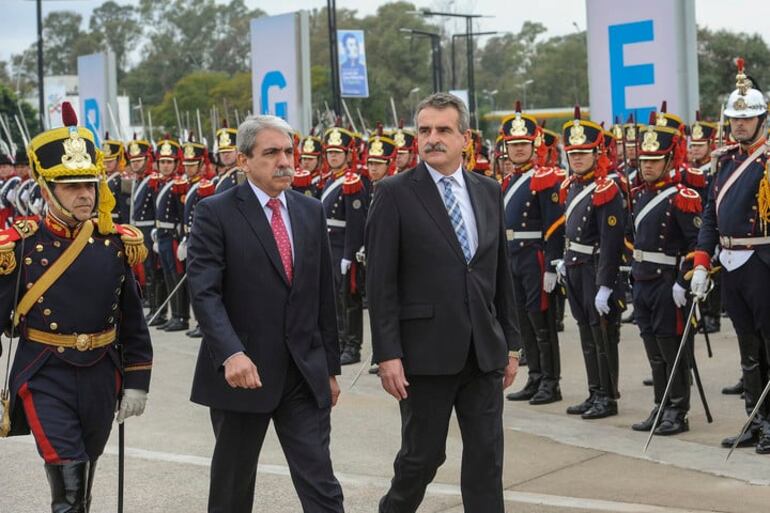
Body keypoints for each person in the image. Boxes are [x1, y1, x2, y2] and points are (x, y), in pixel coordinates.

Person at [365, 92, 519, 513]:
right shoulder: (394, 193)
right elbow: (380, 284)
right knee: (422, 459)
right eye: (425, 130)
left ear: (465, 137)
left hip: (483, 352)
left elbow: (499, 273)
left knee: (487, 461)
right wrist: (388, 355)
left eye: (443, 130)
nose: (432, 139)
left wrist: (512, 344)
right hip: (425, 356)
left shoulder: (488, 190)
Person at [0, 102, 152, 512]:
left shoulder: (115, 243)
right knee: (67, 484)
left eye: (89, 184)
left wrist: (137, 380)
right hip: (45, 371)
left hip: (102, 372)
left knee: (83, 478)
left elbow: (132, 320)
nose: (85, 194)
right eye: (71, 186)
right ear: (47, 189)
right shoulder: (21, 246)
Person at [187, 114, 344, 513]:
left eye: (289, 151)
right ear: (243, 161)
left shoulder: (309, 211)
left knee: (322, 485)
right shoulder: (215, 212)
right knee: (233, 489)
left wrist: (329, 367)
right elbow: (205, 294)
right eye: (271, 152)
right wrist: (231, 353)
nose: (285, 161)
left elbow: (323, 294)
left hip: (302, 374)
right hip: (244, 374)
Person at [691, 58, 770, 453]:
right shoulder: (723, 160)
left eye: (748, 119)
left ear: (761, 119)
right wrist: (702, 262)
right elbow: (710, 214)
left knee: (769, 343)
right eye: (735, 119)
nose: (740, 125)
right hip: (730, 262)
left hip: (762, 262)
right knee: (747, 347)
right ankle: (755, 420)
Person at [628, 114, 701, 435]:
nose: (648, 166)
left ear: (669, 159)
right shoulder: (639, 193)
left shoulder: (682, 197)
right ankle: (661, 403)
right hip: (643, 280)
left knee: (672, 350)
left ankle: (678, 410)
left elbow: (696, 243)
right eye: (645, 160)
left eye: (655, 160)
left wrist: (683, 278)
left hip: (667, 282)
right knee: (653, 349)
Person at [557, 106, 626, 420]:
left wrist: (605, 285)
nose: (577, 158)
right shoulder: (574, 184)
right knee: (586, 334)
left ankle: (608, 397)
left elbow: (611, 243)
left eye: (584, 153)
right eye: (573, 153)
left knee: (603, 337)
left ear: (598, 153)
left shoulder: (607, 189)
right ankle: (594, 391)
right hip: (574, 266)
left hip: (595, 268)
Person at [500, 103, 565, 406]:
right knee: (523, 322)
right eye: (513, 146)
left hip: (535, 257)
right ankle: (535, 376)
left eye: (523, 145)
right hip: (512, 255)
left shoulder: (545, 178)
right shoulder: (509, 180)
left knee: (542, 323)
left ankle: (551, 383)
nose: (518, 150)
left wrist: (552, 265)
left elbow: (554, 226)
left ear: (534, 144)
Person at [319, 125, 367, 366]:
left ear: (348, 155)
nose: (333, 156)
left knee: (348, 300)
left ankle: (352, 345)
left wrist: (349, 254)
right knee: (332, 299)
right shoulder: (328, 180)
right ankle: (337, 341)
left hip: (342, 247)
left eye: (338, 152)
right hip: (327, 246)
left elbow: (356, 223)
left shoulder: (352, 182)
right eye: (330, 152)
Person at [152, 135, 188, 332]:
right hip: (162, 234)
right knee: (167, 275)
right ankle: (173, 315)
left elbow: (182, 214)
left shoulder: (178, 184)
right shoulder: (160, 182)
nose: (165, 166)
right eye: (162, 162)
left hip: (173, 236)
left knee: (176, 275)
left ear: (176, 163)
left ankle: (181, 316)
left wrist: (183, 237)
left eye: (169, 162)